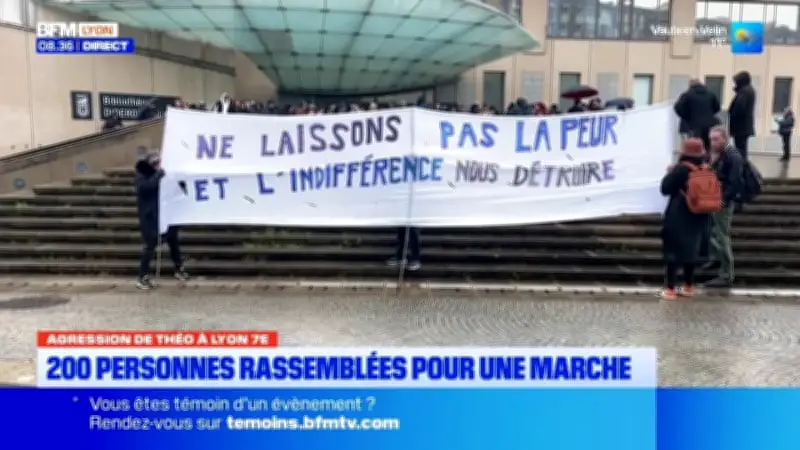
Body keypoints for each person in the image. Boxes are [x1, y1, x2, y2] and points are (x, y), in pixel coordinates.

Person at [659, 138, 711, 300]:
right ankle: (689, 286)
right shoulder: (706, 169)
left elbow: (665, 188)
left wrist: (670, 172)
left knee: (672, 251)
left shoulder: (681, 169)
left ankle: (670, 289)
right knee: (690, 251)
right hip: (699, 215)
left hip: (679, 214)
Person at [135, 153, 189, 290]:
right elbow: (146, 187)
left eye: (159, 163)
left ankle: (179, 268)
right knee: (150, 246)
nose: (158, 165)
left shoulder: (164, 177)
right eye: (155, 163)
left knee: (173, 241)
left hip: (165, 216)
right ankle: (142, 276)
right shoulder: (143, 176)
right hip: (150, 218)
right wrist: (159, 174)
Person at [703, 126, 744, 288]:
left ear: (724, 139)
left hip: (723, 202)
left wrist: (724, 201)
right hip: (715, 198)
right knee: (712, 232)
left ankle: (727, 274)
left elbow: (733, 182)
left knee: (721, 235)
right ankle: (716, 259)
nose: (712, 143)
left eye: (716, 139)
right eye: (711, 139)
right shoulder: (720, 155)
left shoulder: (732, 156)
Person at [673, 78, 721, 151]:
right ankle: (708, 161)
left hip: (692, 126)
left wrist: (686, 116)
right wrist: (710, 114)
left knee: (694, 147)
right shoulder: (711, 94)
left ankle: (696, 161)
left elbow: (677, 107)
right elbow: (717, 107)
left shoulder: (687, 95)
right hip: (709, 126)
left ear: (691, 84)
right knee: (708, 147)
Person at [728, 71, 756, 160]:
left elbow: (739, 108)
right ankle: (742, 166)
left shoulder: (744, 91)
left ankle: (741, 168)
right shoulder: (748, 90)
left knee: (740, 149)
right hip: (744, 126)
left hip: (741, 126)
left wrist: (732, 113)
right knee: (742, 148)